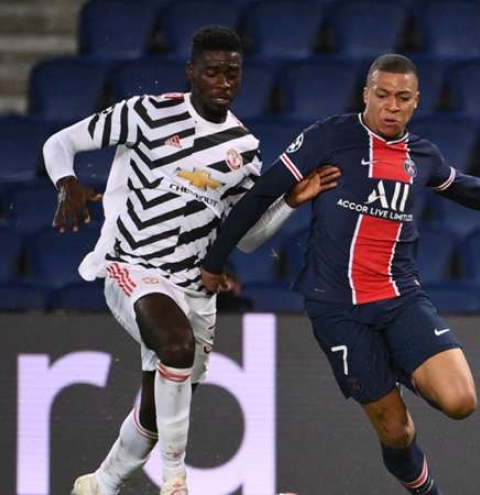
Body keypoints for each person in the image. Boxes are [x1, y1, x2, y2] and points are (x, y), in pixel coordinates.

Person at [200, 53, 480, 494]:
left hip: (399, 298)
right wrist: (214, 262)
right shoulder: (329, 137)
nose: (391, 106)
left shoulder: (422, 155)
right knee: (397, 431)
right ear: (366, 94)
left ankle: (396, 363)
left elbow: (470, 189)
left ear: (416, 102)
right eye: (382, 95)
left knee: (461, 401)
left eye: (402, 98)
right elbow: (263, 192)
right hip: (337, 308)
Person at [42, 26, 340, 495]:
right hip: (133, 266)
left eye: (232, 74)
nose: (224, 82)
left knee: (155, 411)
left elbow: (247, 239)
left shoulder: (244, 150)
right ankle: (176, 481)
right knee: (177, 348)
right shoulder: (146, 113)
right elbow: (59, 143)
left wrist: (289, 202)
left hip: (195, 288)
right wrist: (66, 182)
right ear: (191, 72)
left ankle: (100, 485)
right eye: (213, 72)